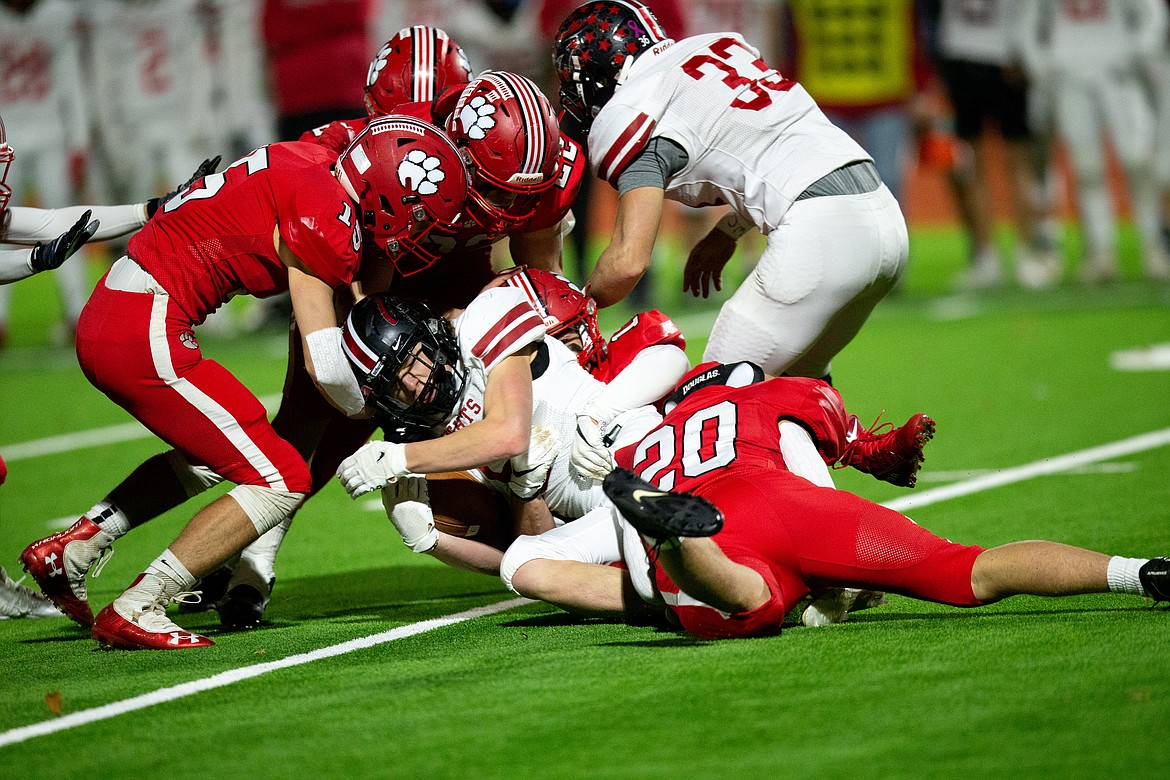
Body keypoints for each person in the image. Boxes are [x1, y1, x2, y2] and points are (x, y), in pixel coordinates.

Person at [18, 119, 470, 650]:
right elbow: (324, 364)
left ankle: (75, 548)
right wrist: (393, 412)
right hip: (141, 324)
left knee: (220, 455)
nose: (422, 236)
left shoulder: (315, 161)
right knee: (282, 478)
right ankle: (140, 604)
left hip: (125, 309)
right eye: (421, 220)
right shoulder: (328, 216)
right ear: (389, 195)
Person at [588, 372, 1170, 640]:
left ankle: (677, 539)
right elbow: (861, 444)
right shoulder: (771, 392)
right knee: (967, 569)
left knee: (751, 605)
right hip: (795, 506)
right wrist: (892, 450)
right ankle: (1141, 574)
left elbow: (642, 583)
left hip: (717, 533)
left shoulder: (640, 448)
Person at [553, 0, 907, 381]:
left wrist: (575, 310)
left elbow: (628, 262)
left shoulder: (634, 108)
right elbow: (781, 149)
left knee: (708, 407)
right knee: (802, 392)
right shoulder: (714, 50)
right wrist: (727, 231)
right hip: (884, 218)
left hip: (822, 236)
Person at [1017, 0, 1170, 284]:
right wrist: (1042, 64)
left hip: (1118, 73)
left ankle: (1155, 246)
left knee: (1136, 161)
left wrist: (1135, 52)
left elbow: (1153, 14)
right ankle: (1100, 251)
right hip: (1069, 74)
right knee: (1087, 168)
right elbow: (1029, 20)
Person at [926, 0, 1061, 291]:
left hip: (1001, 57)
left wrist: (1021, 49)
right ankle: (987, 257)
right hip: (963, 55)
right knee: (970, 162)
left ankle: (1026, 251)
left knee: (1015, 160)